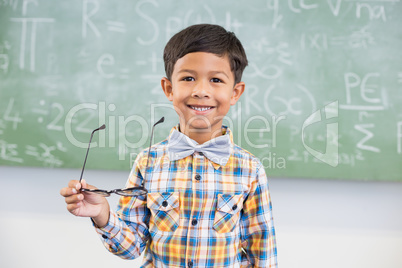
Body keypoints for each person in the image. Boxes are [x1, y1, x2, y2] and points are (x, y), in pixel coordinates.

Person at [60, 24, 277, 268]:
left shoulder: (250, 169)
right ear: (169, 89)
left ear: (235, 92)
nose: (201, 90)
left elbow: (262, 252)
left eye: (216, 80)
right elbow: (131, 248)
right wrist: (102, 214)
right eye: (188, 78)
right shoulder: (148, 161)